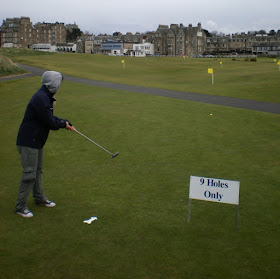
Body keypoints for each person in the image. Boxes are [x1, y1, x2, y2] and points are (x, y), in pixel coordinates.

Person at [15, 71, 75, 218]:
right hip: (29, 141)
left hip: (37, 140)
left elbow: (48, 117)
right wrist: (62, 124)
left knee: (37, 171)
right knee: (29, 174)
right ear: (52, 84)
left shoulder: (45, 96)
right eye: (58, 84)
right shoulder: (41, 99)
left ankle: (39, 198)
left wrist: (63, 121)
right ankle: (20, 207)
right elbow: (50, 122)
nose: (59, 87)